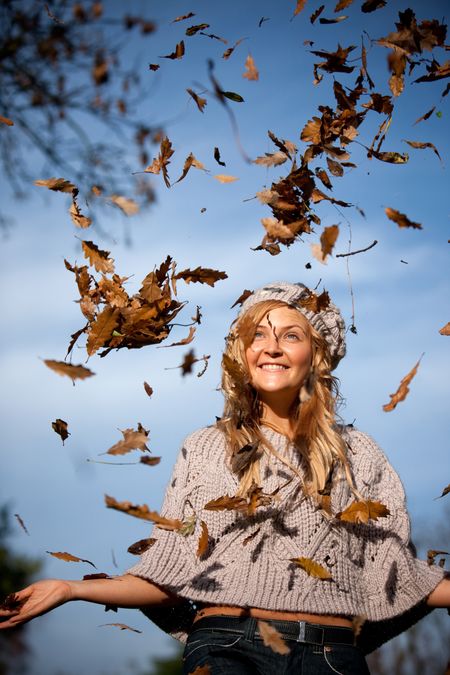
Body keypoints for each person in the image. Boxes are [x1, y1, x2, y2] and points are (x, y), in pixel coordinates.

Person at [1, 282, 449, 675]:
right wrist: (70, 589)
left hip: (331, 655)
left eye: (290, 335)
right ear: (243, 353)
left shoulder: (359, 455)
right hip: (225, 649)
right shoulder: (205, 447)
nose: (271, 347)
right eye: (258, 334)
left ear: (316, 356)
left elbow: (399, 578)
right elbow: (168, 573)